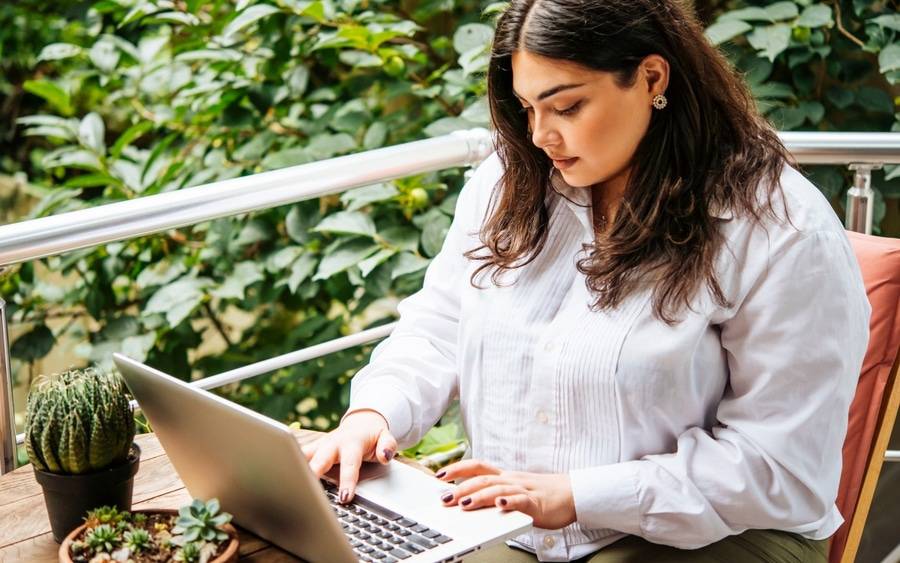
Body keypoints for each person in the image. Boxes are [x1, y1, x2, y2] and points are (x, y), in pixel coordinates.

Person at [301, 0, 871, 561]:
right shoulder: (509, 180)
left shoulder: (781, 228)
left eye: (567, 107)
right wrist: (375, 411)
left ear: (651, 78)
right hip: (520, 521)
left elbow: (778, 467)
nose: (541, 136)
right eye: (527, 108)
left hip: (726, 531)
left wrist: (580, 495)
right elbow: (440, 324)